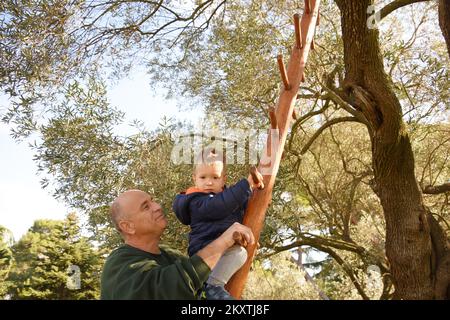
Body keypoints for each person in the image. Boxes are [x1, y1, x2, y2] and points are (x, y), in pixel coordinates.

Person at [100, 189, 255, 300]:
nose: (157, 206)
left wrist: (235, 249)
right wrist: (225, 240)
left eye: (152, 200)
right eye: (146, 206)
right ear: (128, 226)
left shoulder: (172, 256)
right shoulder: (119, 264)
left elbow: (204, 283)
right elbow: (168, 289)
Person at [172, 147, 263, 300]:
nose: (208, 182)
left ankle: (213, 287)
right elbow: (219, 206)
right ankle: (212, 287)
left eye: (215, 177)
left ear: (223, 179)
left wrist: (254, 200)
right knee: (239, 254)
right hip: (206, 249)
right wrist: (245, 186)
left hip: (223, 249)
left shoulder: (224, 198)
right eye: (203, 177)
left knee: (240, 256)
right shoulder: (196, 201)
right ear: (195, 178)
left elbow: (235, 206)